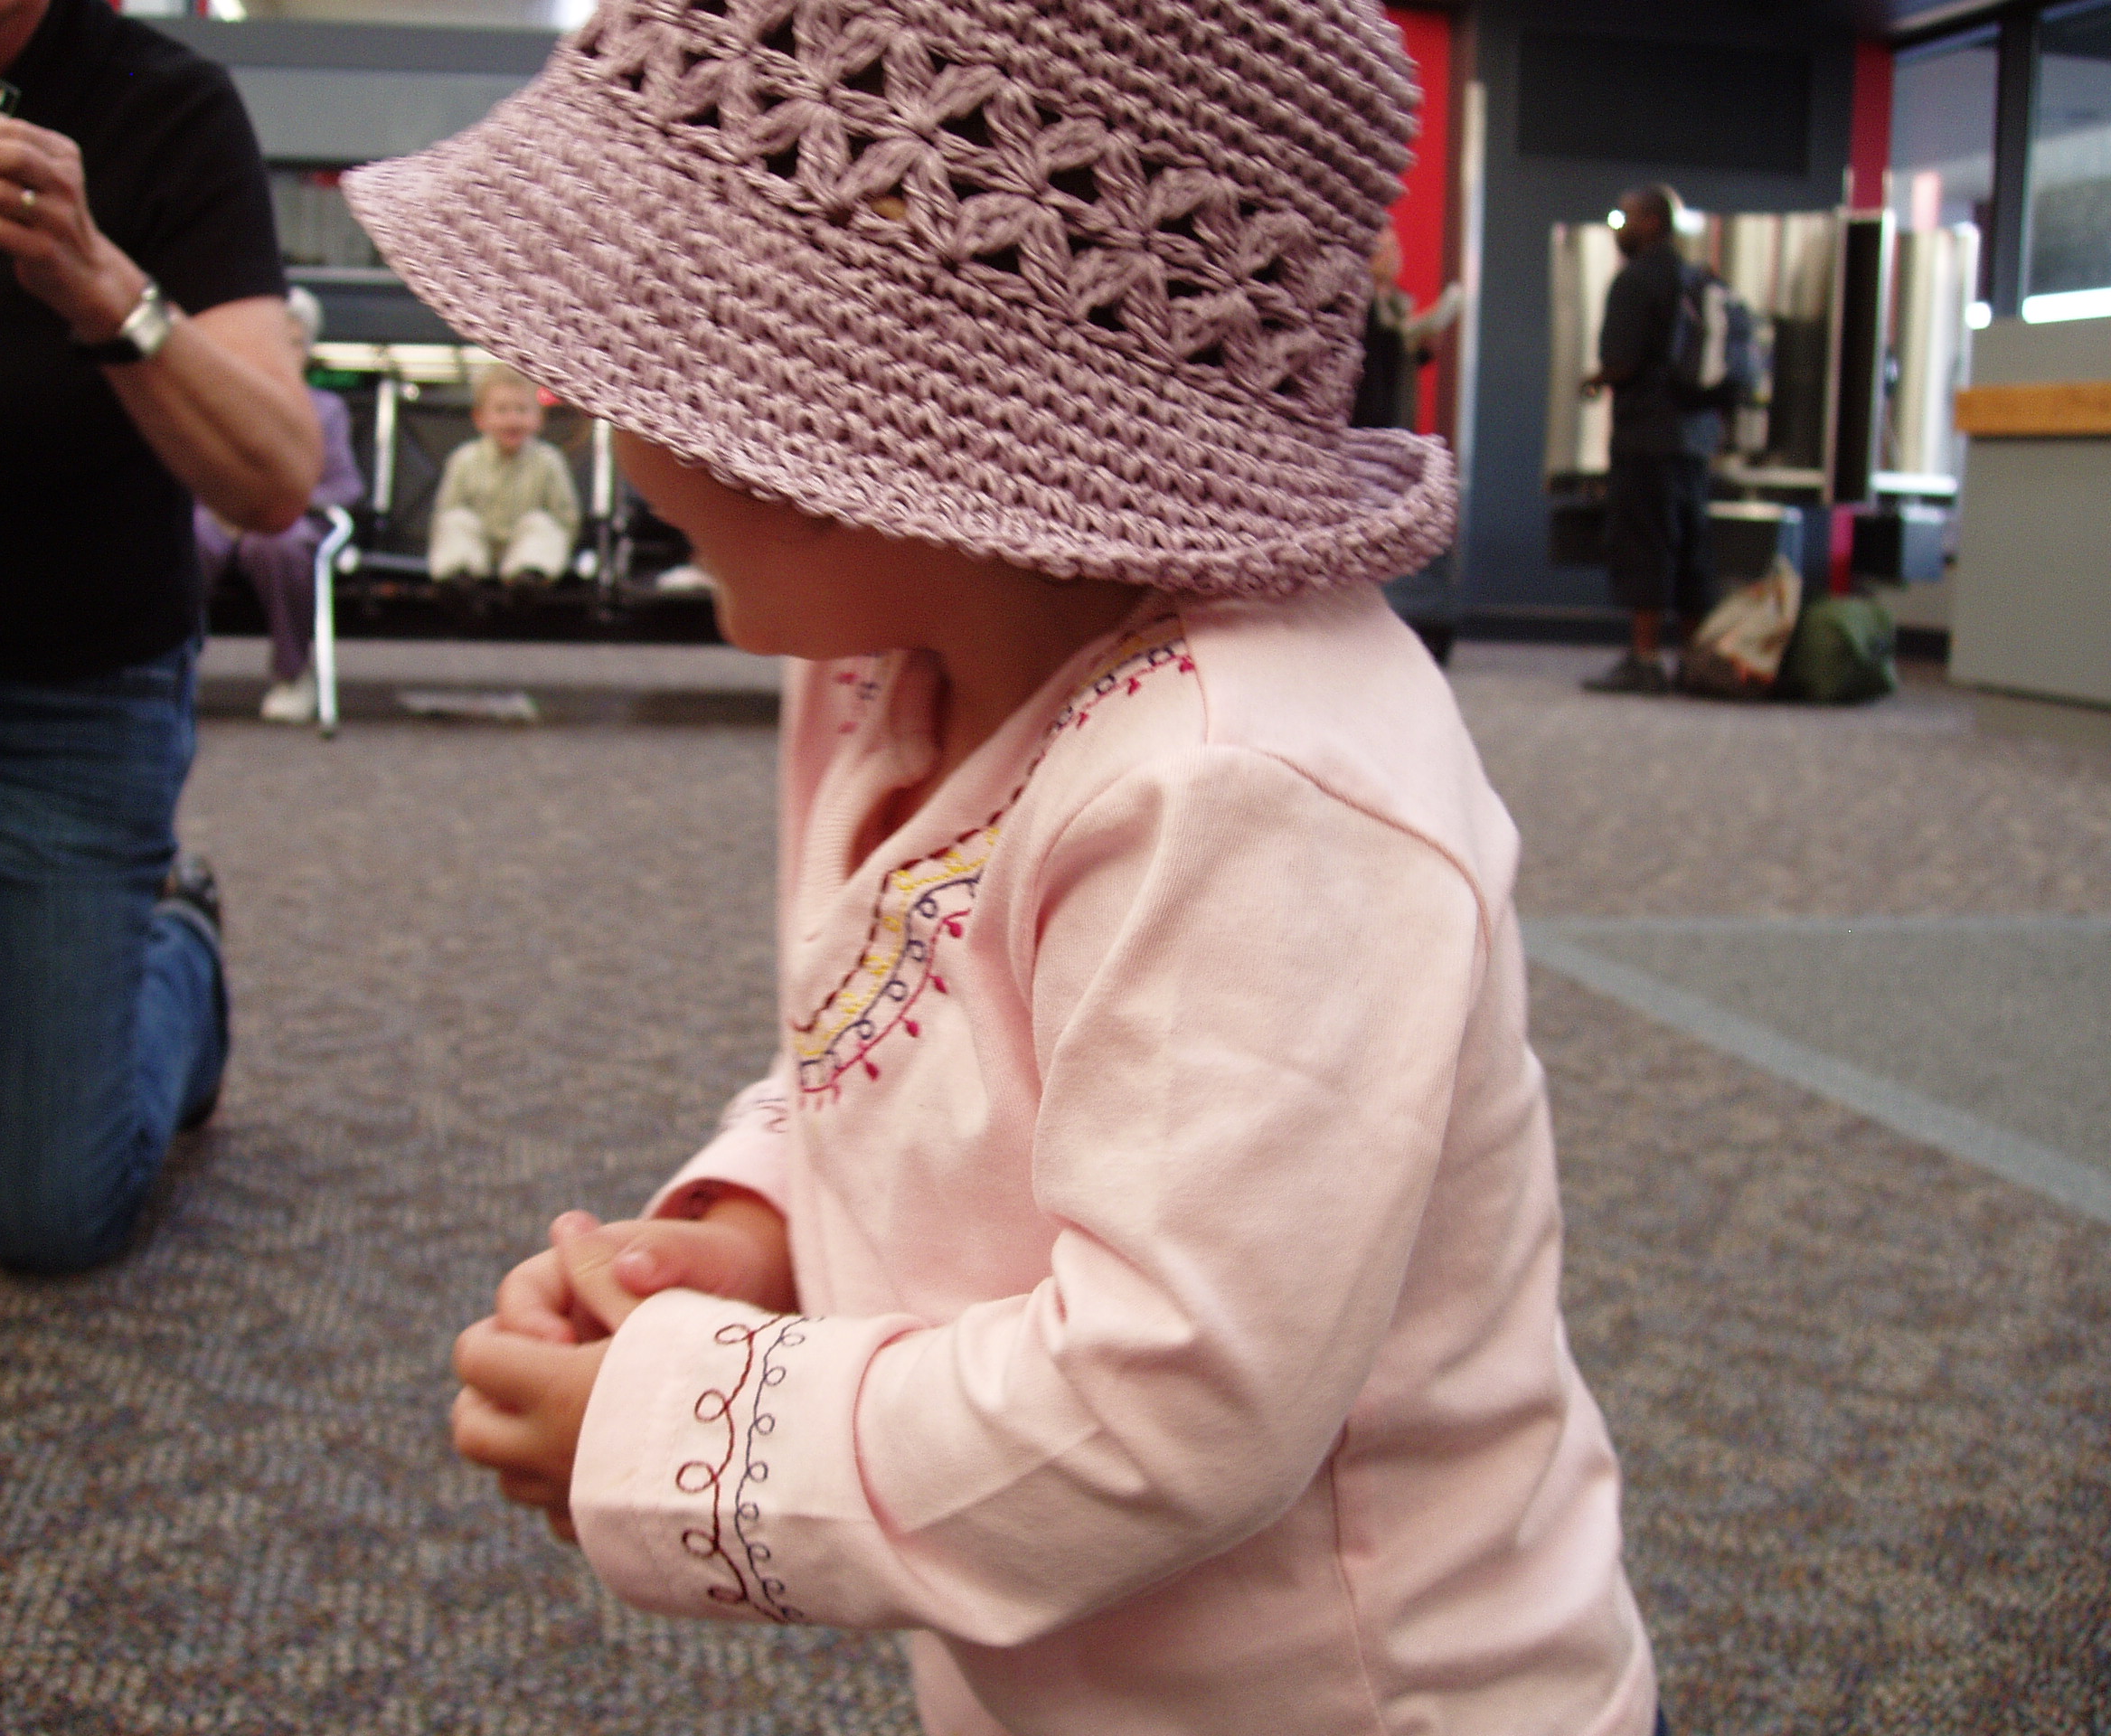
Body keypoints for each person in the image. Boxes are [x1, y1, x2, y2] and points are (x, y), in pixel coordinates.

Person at [349, 1, 1661, 1731]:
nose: (591, 408)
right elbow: (913, 1051)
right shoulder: (884, 651)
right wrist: (759, 1229)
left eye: (638, 351)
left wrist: (681, 1436)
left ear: (864, 398)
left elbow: (1174, 1400)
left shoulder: (1250, 776)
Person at [0, 0, 321, 1272]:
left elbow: (272, 482)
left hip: (52, 680)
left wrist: (104, 286)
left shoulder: (161, 105)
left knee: (43, 1213)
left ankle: (179, 950)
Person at [195, 285, 365, 724]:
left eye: (295, 343)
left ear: (307, 351)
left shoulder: (325, 410)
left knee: (277, 545)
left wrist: (275, 505)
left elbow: (345, 487)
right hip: (218, 515)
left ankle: (292, 675)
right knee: (191, 538)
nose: (285, 354)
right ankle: (174, 665)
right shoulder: (221, 401)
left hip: (289, 520)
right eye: (274, 343)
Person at [1582, 184, 1722, 695]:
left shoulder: (1635, 281)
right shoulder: (1695, 277)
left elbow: (1621, 359)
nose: (1617, 227)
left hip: (1646, 437)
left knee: (1645, 545)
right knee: (1691, 548)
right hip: (1695, 438)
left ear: (1651, 222)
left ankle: (1644, 659)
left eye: (1625, 217)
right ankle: (1692, 661)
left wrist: (1595, 380)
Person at [427, 364, 581, 585]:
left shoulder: (550, 460)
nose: (513, 419)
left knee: (543, 524)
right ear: (480, 418)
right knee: (456, 520)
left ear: (540, 417)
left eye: (522, 410)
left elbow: (566, 519)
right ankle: (459, 578)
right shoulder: (463, 459)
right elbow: (445, 512)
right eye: (501, 410)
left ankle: (529, 579)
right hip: (476, 549)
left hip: (528, 551)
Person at [1353, 220, 1462, 432]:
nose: (1391, 256)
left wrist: (1424, 348)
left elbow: (1401, 358)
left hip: (1399, 412)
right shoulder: (1359, 301)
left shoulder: (1399, 303)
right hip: (1367, 414)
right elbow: (1376, 351)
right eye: (1383, 249)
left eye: (1394, 247)